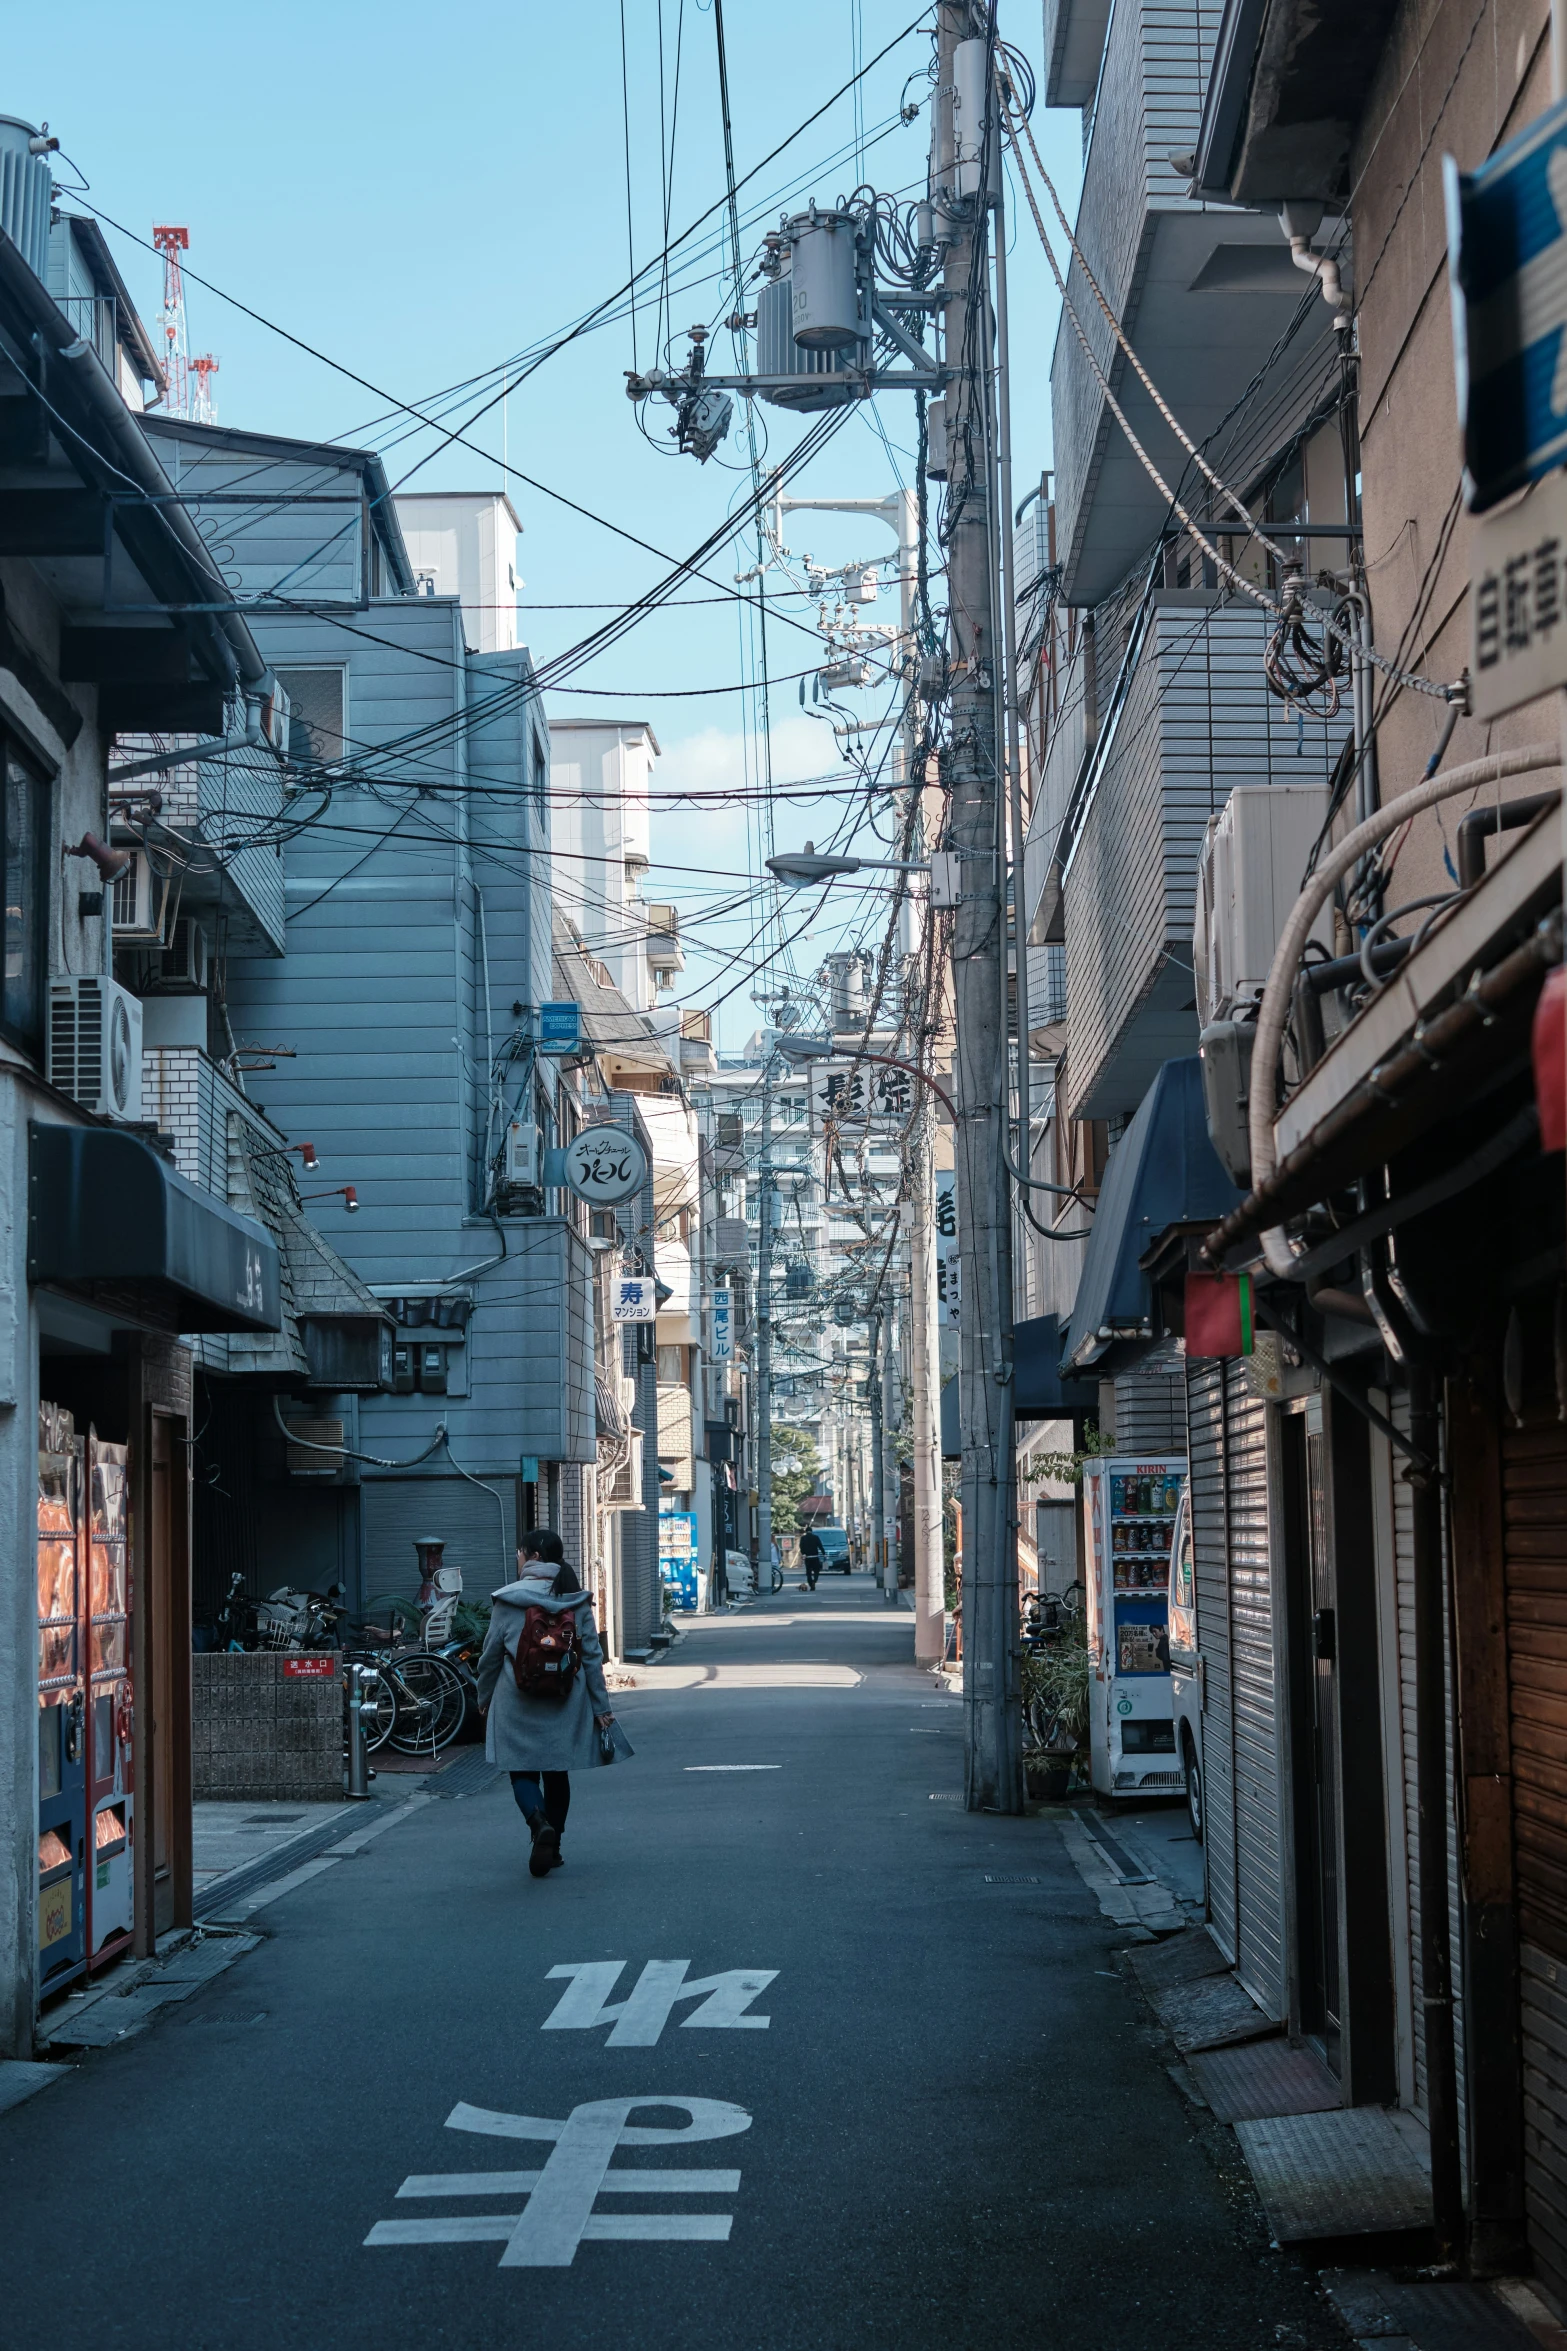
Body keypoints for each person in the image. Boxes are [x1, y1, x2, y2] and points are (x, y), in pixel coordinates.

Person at [475, 1529, 618, 1878]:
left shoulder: (508, 1599)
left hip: (516, 1698)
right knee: (557, 1773)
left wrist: (484, 1697)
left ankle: (538, 1824)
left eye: (520, 1552)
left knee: (521, 1770)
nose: (517, 1557)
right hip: (565, 1699)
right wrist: (602, 1709)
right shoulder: (575, 1600)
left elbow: (491, 1656)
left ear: (533, 1556)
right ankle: (553, 1848)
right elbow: (592, 1660)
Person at [799, 1525, 824, 1590]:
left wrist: (803, 1553)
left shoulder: (803, 1538)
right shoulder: (815, 1537)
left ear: (806, 1531)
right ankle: (814, 1581)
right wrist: (824, 1553)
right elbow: (820, 1546)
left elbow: (801, 1547)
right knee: (816, 1571)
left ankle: (811, 1584)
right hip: (815, 1557)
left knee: (808, 1572)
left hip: (807, 1557)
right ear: (811, 1531)